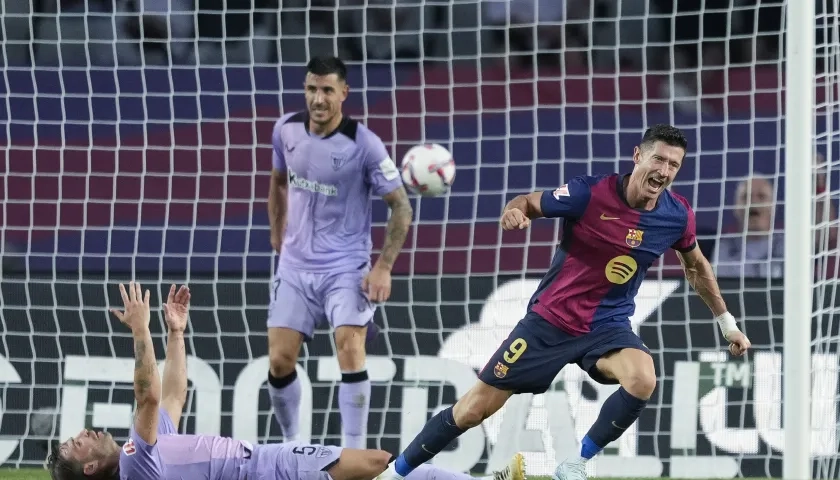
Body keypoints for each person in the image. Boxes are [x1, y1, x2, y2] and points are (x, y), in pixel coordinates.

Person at [380, 124, 752, 480]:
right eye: (659, 160)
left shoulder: (676, 215)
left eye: (674, 164)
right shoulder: (589, 193)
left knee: (643, 379)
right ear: (637, 155)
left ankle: (574, 464)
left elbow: (697, 267)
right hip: (550, 323)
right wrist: (515, 212)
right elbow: (528, 202)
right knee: (473, 409)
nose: (665, 171)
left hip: (607, 327)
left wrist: (727, 324)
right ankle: (394, 474)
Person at [47, 281, 527, 480]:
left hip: (264, 466)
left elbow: (173, 394)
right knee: (380, 463)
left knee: (378, 466)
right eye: (77, 445)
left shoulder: (146, 456)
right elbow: (149, 394)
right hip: (266, 469)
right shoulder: (135, 464)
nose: (84, 435)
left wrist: (175, 334)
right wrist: (140, 331)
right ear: (90, 470)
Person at [266, 55, 412, 448]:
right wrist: (277, 230)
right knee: (279, 362)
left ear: (343, 93)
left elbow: (401, 205)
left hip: (345, 267)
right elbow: (278, 180)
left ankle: (354, 453)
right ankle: (292, 447)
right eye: (312, 88)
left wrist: (383, 267)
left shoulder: (364, 145)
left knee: (349, 346)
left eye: (327, 90)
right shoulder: (285, 129)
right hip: (294, 266)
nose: (318, 99)